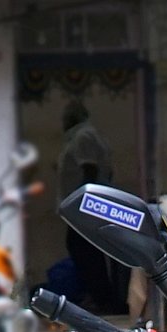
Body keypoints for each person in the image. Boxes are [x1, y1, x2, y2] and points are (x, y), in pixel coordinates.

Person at [57, 97, 121, 312]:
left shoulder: (83, 136)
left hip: (83, 207)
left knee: (84, 251)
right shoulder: (83, 136)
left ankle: (102, 299)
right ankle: (98, 297)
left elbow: (90, 171)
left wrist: (84, 206)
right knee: (87, 251)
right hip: (84, 206)